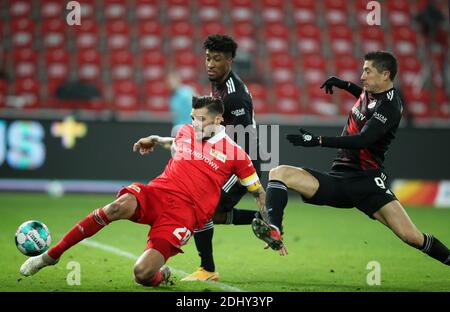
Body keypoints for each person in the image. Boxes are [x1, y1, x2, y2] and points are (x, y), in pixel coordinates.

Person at [19, 96, 267, 287]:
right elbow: (177, 142)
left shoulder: (236, 154)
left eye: (200, 119)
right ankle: (49, 257)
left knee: (142, 274)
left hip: (184, 215)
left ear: (218, 120)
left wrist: (270, 223)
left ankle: (161, 276)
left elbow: (257, 191)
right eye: (192, 117)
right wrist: (156, 139)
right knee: (117, 206)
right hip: (158, 193)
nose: (194, 123)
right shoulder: (186, 131)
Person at [252, 51, 450, 267]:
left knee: (411, 236)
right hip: (339, 180)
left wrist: (317, 140)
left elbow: (362, 140)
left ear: (385, 75)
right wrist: (343, 84)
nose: (362, 76)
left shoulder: (390, 107)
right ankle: (275, 230)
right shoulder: (369, 92)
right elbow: (363, 98)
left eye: (367, 71)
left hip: (367, 184)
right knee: (278, 172)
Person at [182, 34, 263, 281]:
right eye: (208, 58)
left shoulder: (234, 96)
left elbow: (243, 143)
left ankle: (207, 269)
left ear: (230, 60)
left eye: (217, 59)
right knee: (213, 213)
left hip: (240, 163)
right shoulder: (218, 84)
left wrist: (207, 151)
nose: (210, 64)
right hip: (227, 160)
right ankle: (261, 219)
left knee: (201, 210)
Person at [166, 70, 195, 136]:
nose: (170, 82)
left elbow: (199, 107)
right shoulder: (172, 96)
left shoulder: (187, 92)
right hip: (179, 128)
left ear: (178, 80)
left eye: (172, 79)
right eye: (168, 80)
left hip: (189, 128)